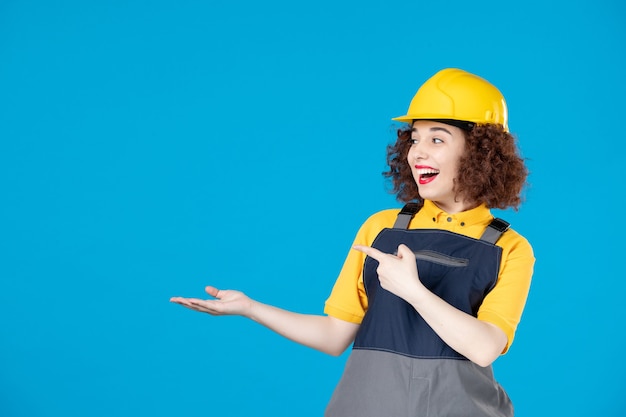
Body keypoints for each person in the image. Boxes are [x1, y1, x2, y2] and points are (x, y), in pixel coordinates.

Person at [170, 68, 535, 417]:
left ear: (480, 152)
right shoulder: (382, 228)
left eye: (437, 138)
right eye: (414, 138)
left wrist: (414, 290)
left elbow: (484, 347)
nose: (417, 152)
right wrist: (250, 308)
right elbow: (334, 335)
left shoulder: (509, 248)